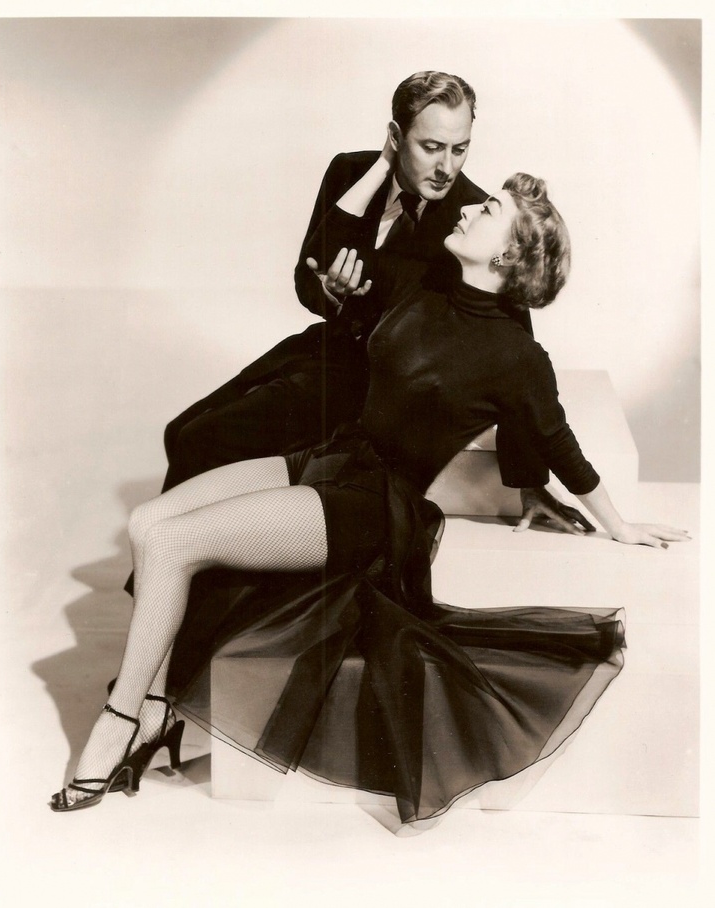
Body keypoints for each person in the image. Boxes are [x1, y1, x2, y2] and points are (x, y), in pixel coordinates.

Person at [51, 152, 689, 825]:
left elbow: (558, 442)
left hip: (371, 506)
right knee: (149, 523)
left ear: (508, 256)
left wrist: (618, 524)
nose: (470, 206)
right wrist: (379, 174)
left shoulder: (517, 357)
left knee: (175, 542)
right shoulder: (426, 285)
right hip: (331, 457)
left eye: (489, 210)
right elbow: (336, 260)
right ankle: (154, 709)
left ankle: (119, 722)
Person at [157, 71, 585, 535]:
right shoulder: (349, 172)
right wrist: (331, 294)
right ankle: (178, 561)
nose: (447, 167)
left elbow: (516, 345)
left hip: (381, 391)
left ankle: (184, 564)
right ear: (396, 137)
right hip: (326, 349)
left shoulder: (474, 217)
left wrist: (529, 481)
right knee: (180, 431)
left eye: (459, 149)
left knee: (204, 440)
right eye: (431, 147)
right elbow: (307, 277)